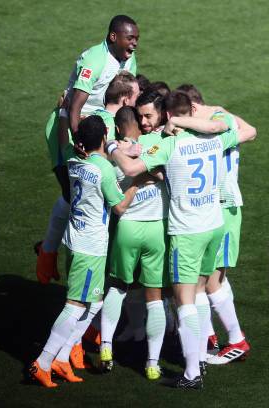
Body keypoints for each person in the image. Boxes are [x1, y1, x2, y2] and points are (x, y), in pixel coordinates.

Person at [110, 91, 257, 389]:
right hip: (214, 225)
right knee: (200, 290)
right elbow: (245, 131)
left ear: (167, 116)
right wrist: (211, 114)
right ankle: (200, 354)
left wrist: (112, 146)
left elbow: (130, 169)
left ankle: (192, 371)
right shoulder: (216, 139)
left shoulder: (170, 145)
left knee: (184, 300)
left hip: (187, 232)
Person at [29, 116, 139, 388]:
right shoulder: (103, 169)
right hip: (90, 247)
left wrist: (64, 116)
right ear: (104, 139)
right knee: (75, 305)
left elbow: (64, 142)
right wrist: (139, 179)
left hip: (76, 239)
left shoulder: (74, 160)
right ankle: (42, 363)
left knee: (97, 301)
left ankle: (63, 357)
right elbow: (119, 207)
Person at [35, 16, 139, 285]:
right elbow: (75, 106)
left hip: (100, 127)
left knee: (91, 193)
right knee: (72, 194)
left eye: (137, 39)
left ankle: (58, 252)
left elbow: (127, 97)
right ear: (114, 37)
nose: (135, 44)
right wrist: (79, 140)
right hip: (73, 128)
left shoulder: (128, 61)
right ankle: (48, 251)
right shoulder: (95, 59)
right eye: (130, 38)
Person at [176, 84, 251, 364]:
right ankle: (209, 335)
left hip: (225, 209)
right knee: (204, 280)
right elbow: (251, 130)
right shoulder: (223, 122)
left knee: (211, 282)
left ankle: (236, 339)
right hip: (212, 212)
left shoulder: (215, 129)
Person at [98, 106, 170, 380]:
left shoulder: (112, 156)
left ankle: (106, 346)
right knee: (155, 298)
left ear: (117, 128)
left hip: (127, 227)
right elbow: (164, 174)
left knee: (117, 287)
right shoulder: (154, 147)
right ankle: (152, 363)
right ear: (139, 125)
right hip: (156, 229)